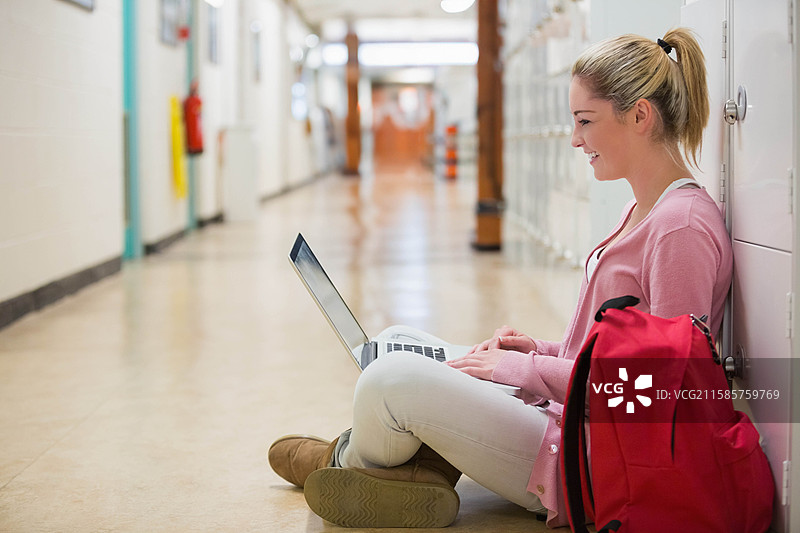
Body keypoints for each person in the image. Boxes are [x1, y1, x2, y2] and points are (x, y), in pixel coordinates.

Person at [268, 28, 733, 529]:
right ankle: (413, 469)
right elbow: (609, 352)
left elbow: (659, 391)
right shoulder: (643, 210)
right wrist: (535, 350)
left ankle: (349, 462)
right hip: (564, 415)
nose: (576, 139)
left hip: (588, 462)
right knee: (396, 341)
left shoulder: (679, 229)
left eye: (585, 121)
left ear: (640, 116)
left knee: (387, 378)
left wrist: (526, 371)